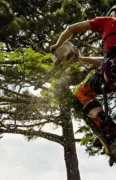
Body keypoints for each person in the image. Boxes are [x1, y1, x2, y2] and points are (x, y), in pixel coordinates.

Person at [50, 5, 116, 145]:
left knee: (82, 94)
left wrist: (57, 45)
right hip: (111, 68)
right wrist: (82, 59)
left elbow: (71, 29)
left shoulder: (107, 21)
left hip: (112, 73)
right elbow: (103, 62)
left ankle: (107, 128)